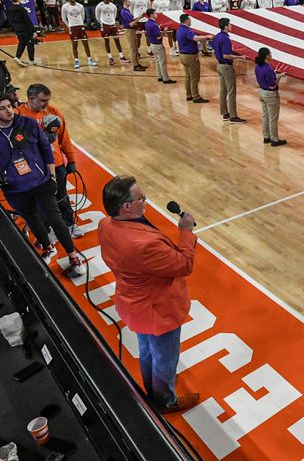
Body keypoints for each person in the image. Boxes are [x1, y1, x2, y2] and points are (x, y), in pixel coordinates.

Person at [98, 175, 199, 413]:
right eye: (141, 198)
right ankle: (165, 401)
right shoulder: (143, 245)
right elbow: (184, 265)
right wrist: (185, 232)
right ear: (126, 207)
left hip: (133, 305)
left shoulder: (105, 224)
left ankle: (151, 390)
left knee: (146, 351)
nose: (146, 201)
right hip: (157, 311)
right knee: (164, 359)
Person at [0, 93, 86, 276]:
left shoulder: (27, 124)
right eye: (2, 108)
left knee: (55, 219)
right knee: (32, 219)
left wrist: (52, 176)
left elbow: (46, 149)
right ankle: (48, 247)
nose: (8, 110)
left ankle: (73, 256)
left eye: (9, 106)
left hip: (41, 183)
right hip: (14, 189)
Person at [16, 84, 84, 238]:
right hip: (35, 169)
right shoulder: (18, 116)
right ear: (31, 99)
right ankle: (45, 230)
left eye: (48, 100)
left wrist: (71, 159)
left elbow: (64, 137)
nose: (46, 104)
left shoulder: (53, 112)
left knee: (62, 196)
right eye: (42, 101)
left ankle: (70, 224)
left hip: (57, 164)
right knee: (41, 201)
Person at [212, 18, 246, 122]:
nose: (231, 26)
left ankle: (225, 113)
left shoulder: (217, 36)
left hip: (219, 65)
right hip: (226, 67)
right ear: (226, 26)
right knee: (231, 91)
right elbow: (226, 55)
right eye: (230, 24)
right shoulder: (226, 39)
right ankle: (233, 116)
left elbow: (215, 50)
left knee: (223, 90)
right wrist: (240, 57)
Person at [254, 47, 287, 146]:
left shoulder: (258, 66)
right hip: (270, 94)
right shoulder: (268, 69)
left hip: (261, 91)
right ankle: (275, 139)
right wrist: (280, 77)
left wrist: (274, 75)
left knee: (265, 116)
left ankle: (266, 136)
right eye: (270, 53)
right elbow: (272, 85)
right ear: (267, 56)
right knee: (273, 118)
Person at [176, 14, 211, 103]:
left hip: (182, 55)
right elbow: (195, 38)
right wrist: (207, 36)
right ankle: (196, 97)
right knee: (195, 77)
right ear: (186, 20)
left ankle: (189, 95)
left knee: (188, 77)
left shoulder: (179, 29)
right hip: (190, 56)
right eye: (190, 19)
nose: (191, 21)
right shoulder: (187, 30)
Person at [60, 0, 97, 69]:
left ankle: (90, 59)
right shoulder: (65, 7)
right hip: (72, 27)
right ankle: (76, 60)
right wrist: (69, 25)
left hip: (80, 26)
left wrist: (81, 23)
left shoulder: (80, 6)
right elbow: (63, 18)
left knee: (85, 43)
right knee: (74, 45)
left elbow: (83, 16)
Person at [95, 0, 129, 65]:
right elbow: (97, 16)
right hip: (104, 25)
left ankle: (121, 56)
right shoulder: (99, 6)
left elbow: (114, 15)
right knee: (107, 41)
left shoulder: (113, 6)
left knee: (117, 40)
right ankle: (110, 57)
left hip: (112, 24)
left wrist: (112, 21)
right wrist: (102, 22)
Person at [144, 9, 175, 84]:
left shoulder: (147, 23)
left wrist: (159, 27)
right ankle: (165, 78)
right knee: (162, 62)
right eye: (155, 13)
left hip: (152, 45)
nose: (156, 14)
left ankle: (160, 76)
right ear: (151, 15)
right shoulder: (153, 25)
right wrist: (164, 30)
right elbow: (158, 37)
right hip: (158, 45)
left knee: (158, 62)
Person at [7, 0, 38, 67]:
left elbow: (10, 21)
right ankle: (31, 60)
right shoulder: (22, 9)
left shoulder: (9, 9)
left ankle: (17, 57)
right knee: (30, 44)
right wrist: (33, 31)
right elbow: (27, 21)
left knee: (22, 44)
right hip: (25, 30)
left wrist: (15, 30)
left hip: (17, 30)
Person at [120, 0, 147, 72]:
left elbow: (132, 20)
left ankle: (137, 64)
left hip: (132, 30)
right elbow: (131, 24)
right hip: (129, 30)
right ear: (125, 2)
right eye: (128, 1)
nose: (130, 2)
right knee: (133, 48)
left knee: (135, 47)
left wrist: (140, 17)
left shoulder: (127, 11)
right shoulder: (124, 12)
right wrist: (138, 19)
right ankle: (135, 65)